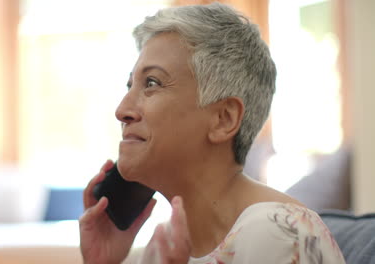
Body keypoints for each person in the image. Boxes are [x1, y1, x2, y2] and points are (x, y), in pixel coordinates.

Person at [79, 3, 346, 264]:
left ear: (223, 119)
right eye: (130, 85)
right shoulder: (164, 249)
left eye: (152, 83)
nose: (122, 110)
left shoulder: (276, 233)